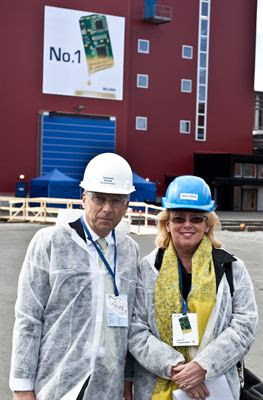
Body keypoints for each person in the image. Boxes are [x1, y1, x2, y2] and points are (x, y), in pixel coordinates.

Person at [9, 153, 139, 400]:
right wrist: (23, 387)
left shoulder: (129, 250)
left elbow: (130, 321)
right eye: (99, 198)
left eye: (116, 201)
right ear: (84, 198)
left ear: (127, 204)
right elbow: (29, 317)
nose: (107, 209)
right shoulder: (50, 242)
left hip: (108, 384)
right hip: (58, 382)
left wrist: (127, 378)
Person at [129, 175, 258, 400]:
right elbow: (135, 330)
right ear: (167, 223)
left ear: (208, 223)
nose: (187, 225)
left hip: (214, 389)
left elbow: (245, 326)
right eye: (179, 218)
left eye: (196, 218)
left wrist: (203, 366)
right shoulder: (147, 270)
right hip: (157, 388)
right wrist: (176, 368)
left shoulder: (231, 268)